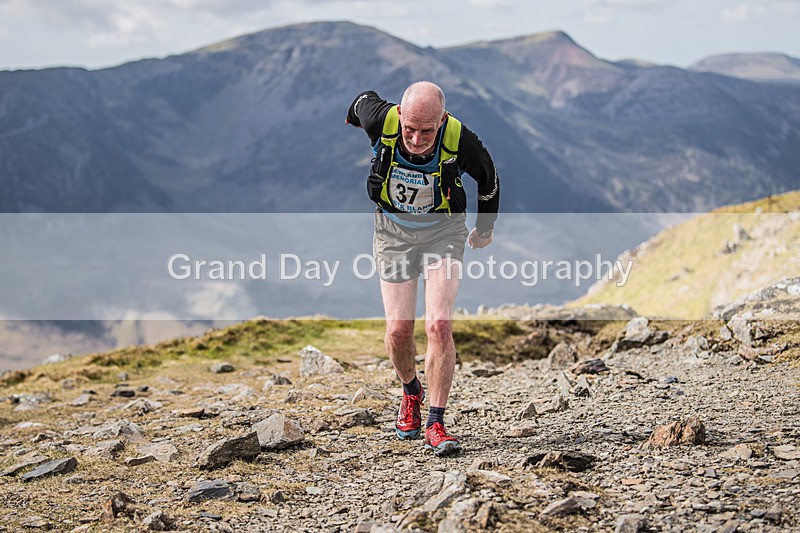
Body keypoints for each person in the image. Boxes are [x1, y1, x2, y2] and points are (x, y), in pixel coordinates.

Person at [346, 81, 499, 456]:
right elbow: (360, 101)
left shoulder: (460, 139)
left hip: (444, 232)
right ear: (399, 114)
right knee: (399, 331)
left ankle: (435, 422)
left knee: (439, 324)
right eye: (409, 129)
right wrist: (352, 116)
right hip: (393, 231)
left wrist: (485, 229)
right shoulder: (381, 118)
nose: (416, 140)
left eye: (427, 131)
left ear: (442, 120)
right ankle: (411, 391)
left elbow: (489, 180)